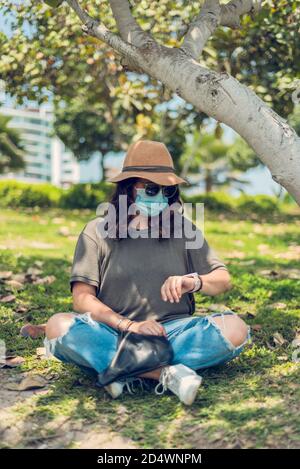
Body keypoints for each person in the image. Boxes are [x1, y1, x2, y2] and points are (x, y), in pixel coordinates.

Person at [23, 140, 251, 406]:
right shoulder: (97, 231)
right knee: (58, 326)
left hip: (171, 332)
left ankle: (119, 370)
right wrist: (130, 326)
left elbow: (222, 279)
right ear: (128, 188)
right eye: (151, 188)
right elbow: (82, 299)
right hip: (112, 330)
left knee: (236, 328)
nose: (160, 197)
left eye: (168, 190)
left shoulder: (184, 229)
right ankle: (163, 373)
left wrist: (195, 281)